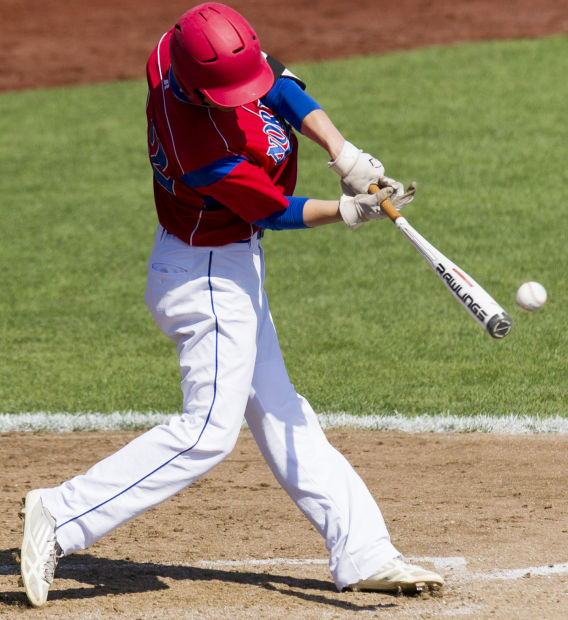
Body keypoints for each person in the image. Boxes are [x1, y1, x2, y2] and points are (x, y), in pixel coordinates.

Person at [19, 2, 443, 608]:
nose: (242, 93)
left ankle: (365, 550)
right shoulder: (199, 146)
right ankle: (61, 513)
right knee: (207, 435)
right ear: (197, 90)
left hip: (226, 266)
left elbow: (279, 79)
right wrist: (349, 209)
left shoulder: (173, 52)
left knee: (281, 411)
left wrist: (343, 152)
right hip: (207, 278)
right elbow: (272, 209)